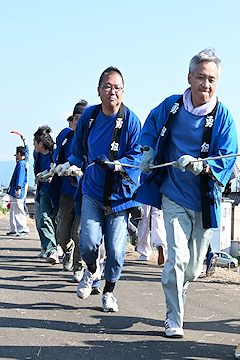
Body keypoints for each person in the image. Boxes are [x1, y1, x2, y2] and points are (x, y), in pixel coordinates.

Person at [136, 48, 238, 337]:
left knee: (192, 269)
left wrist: (202, 167)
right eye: (201, 77)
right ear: (189, 77)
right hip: (173, 195)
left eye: (212, 80)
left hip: (204, 201)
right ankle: (173, 319)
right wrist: (147, 150)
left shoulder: (223, 117)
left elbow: (227, 157)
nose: (206, 85)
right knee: (176, 257)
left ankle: (182, 284)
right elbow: (151, 125)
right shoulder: (171, 106)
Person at [66, 66, 142, 312]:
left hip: (119, 197)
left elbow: (137, 156)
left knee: (117, 251)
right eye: (108, 86)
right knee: (87, 242)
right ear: (99, 91)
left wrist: (118, 164)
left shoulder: (131, 121)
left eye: (117, 87)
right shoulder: (89, 117)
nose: (113, 91)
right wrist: (73, 167)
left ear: (123, 91)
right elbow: (77, 150)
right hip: (92, 191)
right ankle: (91, 270)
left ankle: (109, 292)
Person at [52, 100, 89, 282]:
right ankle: (67, 252)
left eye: (82, 119)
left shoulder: (93, 137)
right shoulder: (65, 137)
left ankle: (79, 266)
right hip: (66, 193)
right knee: (63, 234)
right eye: (75, 118)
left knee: (79, 234)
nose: (78, 122)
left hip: (85, 194)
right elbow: (56, 157)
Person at [33, 125, 59, 265]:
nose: (33, 145)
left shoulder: (55, 153)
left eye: (35, 142)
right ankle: (51, 250)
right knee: (43, 219)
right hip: (43, 190)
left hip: (57, 190)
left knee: (57, 220)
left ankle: (60, 248)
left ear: (41, 143)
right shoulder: (36, 154)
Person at [7, 133, 30, 236]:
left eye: (16, 154)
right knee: (14, 209)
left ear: (19, 154)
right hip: (17, 190)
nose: (16, 157)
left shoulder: (21, 164)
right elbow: (28, 152)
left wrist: (18, 188)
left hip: (18, 190)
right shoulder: (26, 161)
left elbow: (20, 177)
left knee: (18, 210)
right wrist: (24, 141)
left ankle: (22, 229)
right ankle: (14, 228)